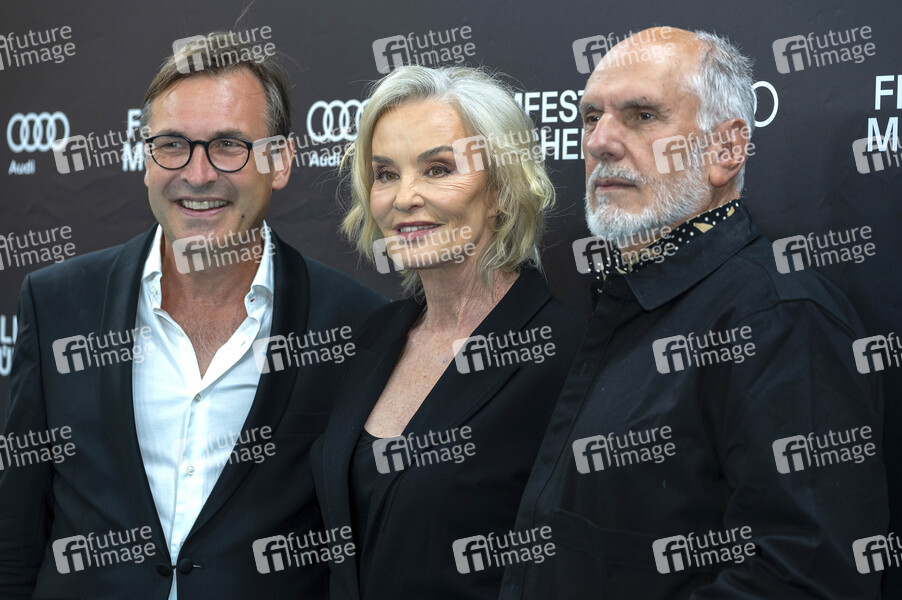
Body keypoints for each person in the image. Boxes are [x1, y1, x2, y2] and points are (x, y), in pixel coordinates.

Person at [499, 28, 889, 599]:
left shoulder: (779, 319)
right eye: (591, 118)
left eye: (642, 116)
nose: (600, 142)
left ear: (726, 150)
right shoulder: (624, 301)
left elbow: (806, 579)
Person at [0, 33, 385, 599]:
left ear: (280, 161)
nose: (198, 174)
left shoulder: (355, 325)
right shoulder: (56, 302)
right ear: (145, 157)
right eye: (173, 145)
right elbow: (14, 532)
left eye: (228, 145)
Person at [309, 65, 584, 599]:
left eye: (437, 169)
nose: (404, 197)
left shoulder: (564, 355)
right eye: (385, 174)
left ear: (500, 190)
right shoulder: (373, 337)